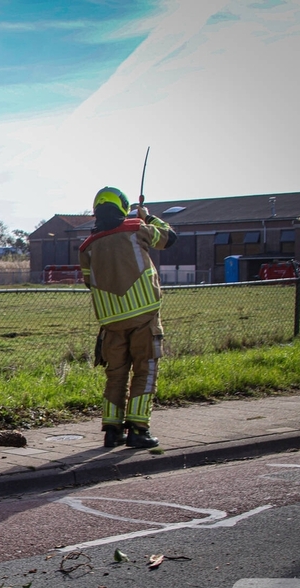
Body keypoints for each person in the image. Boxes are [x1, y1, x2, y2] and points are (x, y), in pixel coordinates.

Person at [79, 186, 177, 449]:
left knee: (116, 376)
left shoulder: (87, 247)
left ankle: (112, 431)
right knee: (145, 370)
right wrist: (148, 217)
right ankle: (138, 429)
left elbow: (89, 282)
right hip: (144, 315)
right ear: (123, 207)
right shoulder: (136, 228)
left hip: (111, 323)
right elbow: (169, 238)